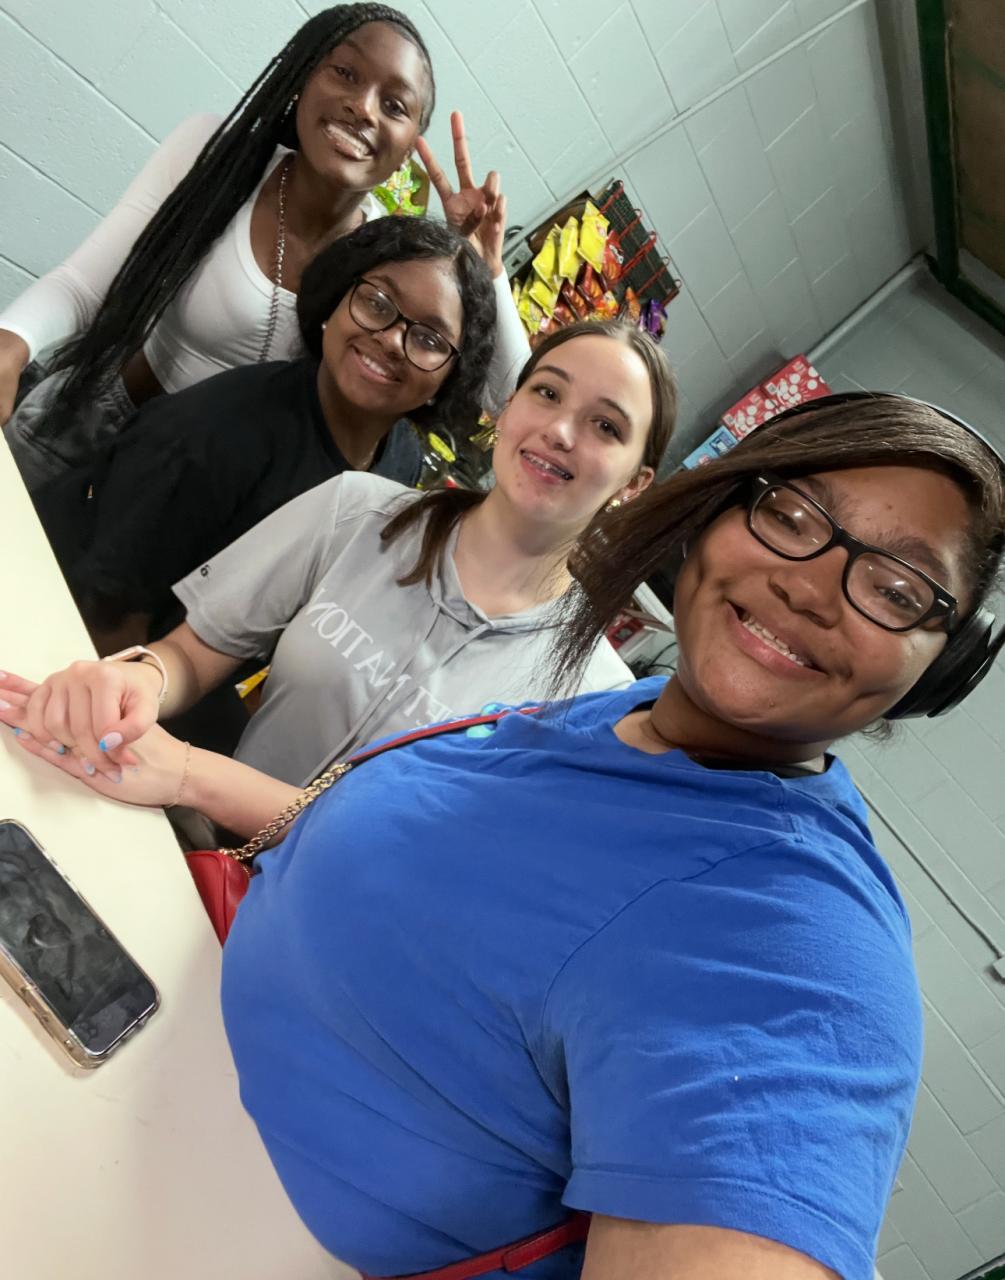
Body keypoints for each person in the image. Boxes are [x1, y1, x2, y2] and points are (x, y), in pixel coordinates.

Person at [4, 393, 1003, 1277]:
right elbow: (412, 872)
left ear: (939, 667)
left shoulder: (799, 945)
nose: (811, 584)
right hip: (133, 1078)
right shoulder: (628, 717)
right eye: (790, 514)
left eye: (898, 590)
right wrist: (182, 771)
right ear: (716, 512)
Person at [3, 319, 673, 794]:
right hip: (190, 855)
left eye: (605, 426)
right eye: (547, 392)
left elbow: (434, 871)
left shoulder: (592, 695)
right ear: (507, 408)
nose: (559, 431)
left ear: (635, 484)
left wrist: (197, 779)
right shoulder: (358, 512)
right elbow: (192, 655)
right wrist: (140, 681)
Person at [0, 3, 528, 491]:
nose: (363, 107)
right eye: (345, 73)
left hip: (196, 497)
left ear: (409, 146)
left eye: (394, 105)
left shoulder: (384, 255)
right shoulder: (219, 155)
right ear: (303, 79)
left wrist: (488, 269)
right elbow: (86, 284)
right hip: (89, 428)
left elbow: (514, 402)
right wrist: (13, 341)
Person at [31, 215, 497, 648]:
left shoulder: (400, 461)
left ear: (450, 377)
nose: (392, 339)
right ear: (335, 299)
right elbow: (106, 610)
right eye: (376, 304)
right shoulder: (217, 434)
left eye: (429, 339)